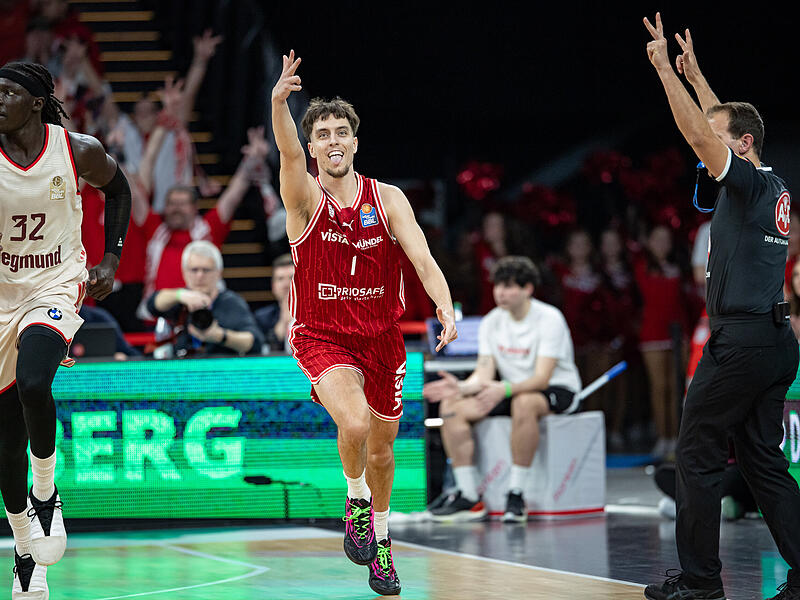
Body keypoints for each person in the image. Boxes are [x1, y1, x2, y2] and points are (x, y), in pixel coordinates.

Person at [271, 50, 457, 596]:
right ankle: (354, 499)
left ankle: (380, 537)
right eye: (321, 133)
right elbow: (284, 152)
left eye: (340, 131)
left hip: (383, 339)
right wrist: (279, 102)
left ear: (355, 141)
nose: (332, 140)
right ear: (314, 146)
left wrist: (445, 305)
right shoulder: (304, 198)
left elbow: (422, 259)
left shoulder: (389, 197)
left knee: (381, 449)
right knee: (351, 426)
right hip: (322, 336)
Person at [644, 14, 800, 600]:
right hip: (774, 341)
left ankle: (701, 582)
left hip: (740, 343)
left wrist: (664, 71)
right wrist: (699, 75)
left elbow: (703, 133)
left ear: (742, 146)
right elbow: (729, 124)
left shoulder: (750, 183)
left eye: (720, 141)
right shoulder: (770, 183)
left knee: (696, 453)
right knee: (762, 462)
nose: (706, 149)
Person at [0, 61, 130, 598]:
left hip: (55, 284)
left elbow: (119, 191)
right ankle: (25, 543)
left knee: (35, 381)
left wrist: (111, 259)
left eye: (6, 93)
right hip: (2, 296)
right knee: (5, 440)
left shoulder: (77, 149)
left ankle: (48, 491)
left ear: (34, 102)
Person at [423, 256, 581, 523]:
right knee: (451, 407)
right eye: (498, 286)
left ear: (528, 289)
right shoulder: (491, 322)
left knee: (525, 403)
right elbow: (484, 374)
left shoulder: (549, 319)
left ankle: (516, 493)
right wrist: (460, 387)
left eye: (509, 286)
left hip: (556, 389)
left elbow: (542, 378)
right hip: (508, 389)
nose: (501, 292)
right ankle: (469, 496)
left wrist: (504, 389)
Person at [146, 241, 263, 356]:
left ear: (219, 273)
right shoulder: (179, 300)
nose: (199, 276)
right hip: (182, 369)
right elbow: (152, 304)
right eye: (194, 270)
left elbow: (254, 342)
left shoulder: (231, 302)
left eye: (206, 270)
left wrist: (219, 336)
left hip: (218, 369)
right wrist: (180, 295)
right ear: (184, 272)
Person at [255, 253, 294, 353]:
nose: (286, 284)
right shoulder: (262, 317)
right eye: (280, 279)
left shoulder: (317, 315)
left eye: (291, 278)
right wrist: (282, 322)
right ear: (273, 286)